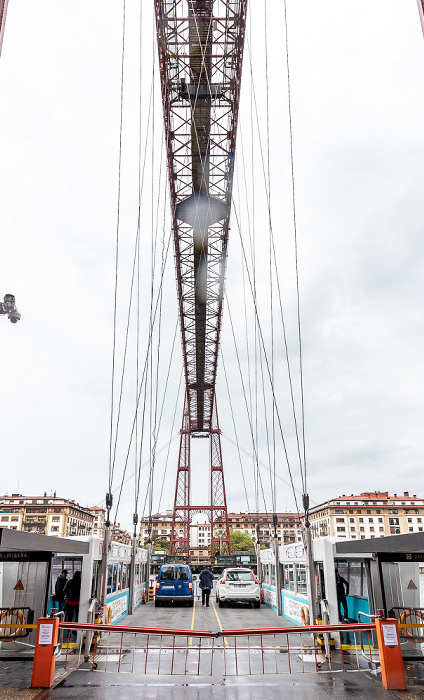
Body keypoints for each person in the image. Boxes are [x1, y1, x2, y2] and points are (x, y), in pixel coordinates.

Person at [63, 571, 81, 637]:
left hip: (69, 602)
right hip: (78, 602)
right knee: (77, 617)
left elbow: (64, 590)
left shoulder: (69, 581)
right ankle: (75, 630)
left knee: (69, 617)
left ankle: (69, 632)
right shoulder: (81, 582)